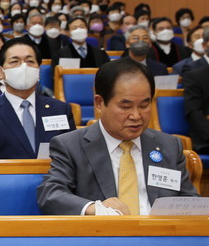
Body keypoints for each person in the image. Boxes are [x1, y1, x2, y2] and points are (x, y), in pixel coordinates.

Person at [37, 59, 199, 215]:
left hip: (161, 237)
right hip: (105, 238)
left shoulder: (169, 145)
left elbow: (189, 199)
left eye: (144, 105)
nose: (136, 116)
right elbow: (51, 194)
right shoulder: (71, 145)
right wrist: (94, 208)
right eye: (125, 106)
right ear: (100, 103)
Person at [0, 38, 76, 159]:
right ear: (1, 72)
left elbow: (72, 156)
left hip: (56, 176)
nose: (23, 67)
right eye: (14, 61)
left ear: (38, 70)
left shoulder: (61, 109)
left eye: (30, 61)